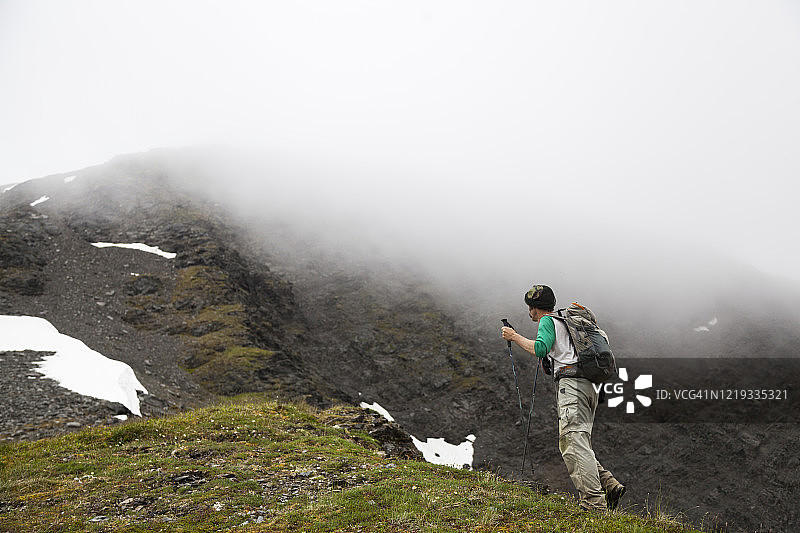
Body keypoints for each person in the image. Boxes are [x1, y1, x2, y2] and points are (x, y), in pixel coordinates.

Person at [501, 284, 626, 512]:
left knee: (573, 442)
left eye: (530, 307)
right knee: (579, 441)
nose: (529, 312)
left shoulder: (548, 321)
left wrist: (514, 336)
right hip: (590, 387)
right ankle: (609, 485)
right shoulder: (567, 323)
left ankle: (594, 504)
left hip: (572, 385)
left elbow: (540, 349)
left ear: (534, 307)